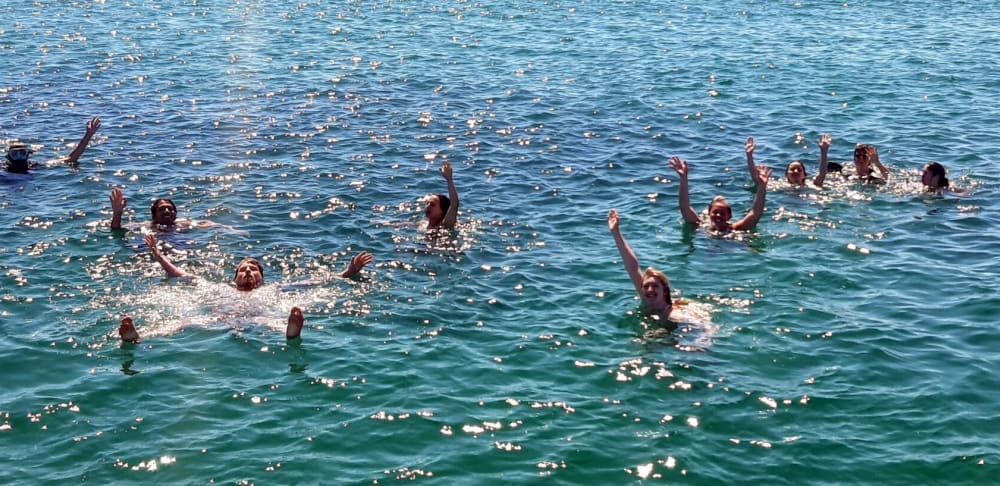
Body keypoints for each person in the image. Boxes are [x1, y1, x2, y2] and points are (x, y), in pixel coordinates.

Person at [121, 233, 374, 341]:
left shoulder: (272, 290)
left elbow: (314, 282)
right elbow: (180, 274)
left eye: (253, 269)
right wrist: (157, 254)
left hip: (259, 318)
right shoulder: (220, 289)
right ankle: (137, 337)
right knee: (184, 322)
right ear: (235, 278)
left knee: (271, 323)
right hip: (220, 319)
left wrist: (348, 273)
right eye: (243, 269)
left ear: (262, 278)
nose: (248, 272)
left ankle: (291, 333)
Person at [607, 209, 682, 327]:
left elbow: (703, 328)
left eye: (655, 286)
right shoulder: (646, 298)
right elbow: (632, 267)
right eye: (646, 286)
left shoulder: (675, 315)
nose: (650, 290)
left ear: (665, 291)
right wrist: (616, 232)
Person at [669, 149, 772, 233]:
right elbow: (684, 207)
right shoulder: (701, 226)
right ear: (709, 213)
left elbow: (756, 213)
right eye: (715, 212)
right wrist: (683, 178)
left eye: (722, 213)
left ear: (729, 216)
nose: (718, 215)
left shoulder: (735, 229)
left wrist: (762, 187)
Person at [4, 116, 101, 173]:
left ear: (28, 155)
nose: (19, 158)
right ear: (8, 157)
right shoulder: (3, 168)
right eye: (14, 154)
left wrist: (88, 135)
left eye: (22, 153)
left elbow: (71, 159)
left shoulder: (33, 166)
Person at [109, 188, 231, 231]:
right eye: (162, 209)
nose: (167, 211)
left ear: (175, 213)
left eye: (170, 209)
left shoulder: (183, 223)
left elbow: (207, 223)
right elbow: (117, 229)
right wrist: (117, 212)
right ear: (154, 215)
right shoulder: (146, 226)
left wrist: (229, 228)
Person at [751, 134, 838, 187]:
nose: (796, 171)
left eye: (799, 170)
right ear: (786, 174)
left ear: (805, 175)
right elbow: (757, 181)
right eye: (792, 169)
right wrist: (749, 156)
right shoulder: (780, 185)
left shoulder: (813, 185)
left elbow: (822, 172)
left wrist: (824, 151)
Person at [425, 160, 460, 229]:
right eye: (427, 203)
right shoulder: (423, 224)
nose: (428, 206)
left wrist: (449, 179)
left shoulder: (445, 225)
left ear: (443, 210)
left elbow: (454, 205)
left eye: (432, 205)